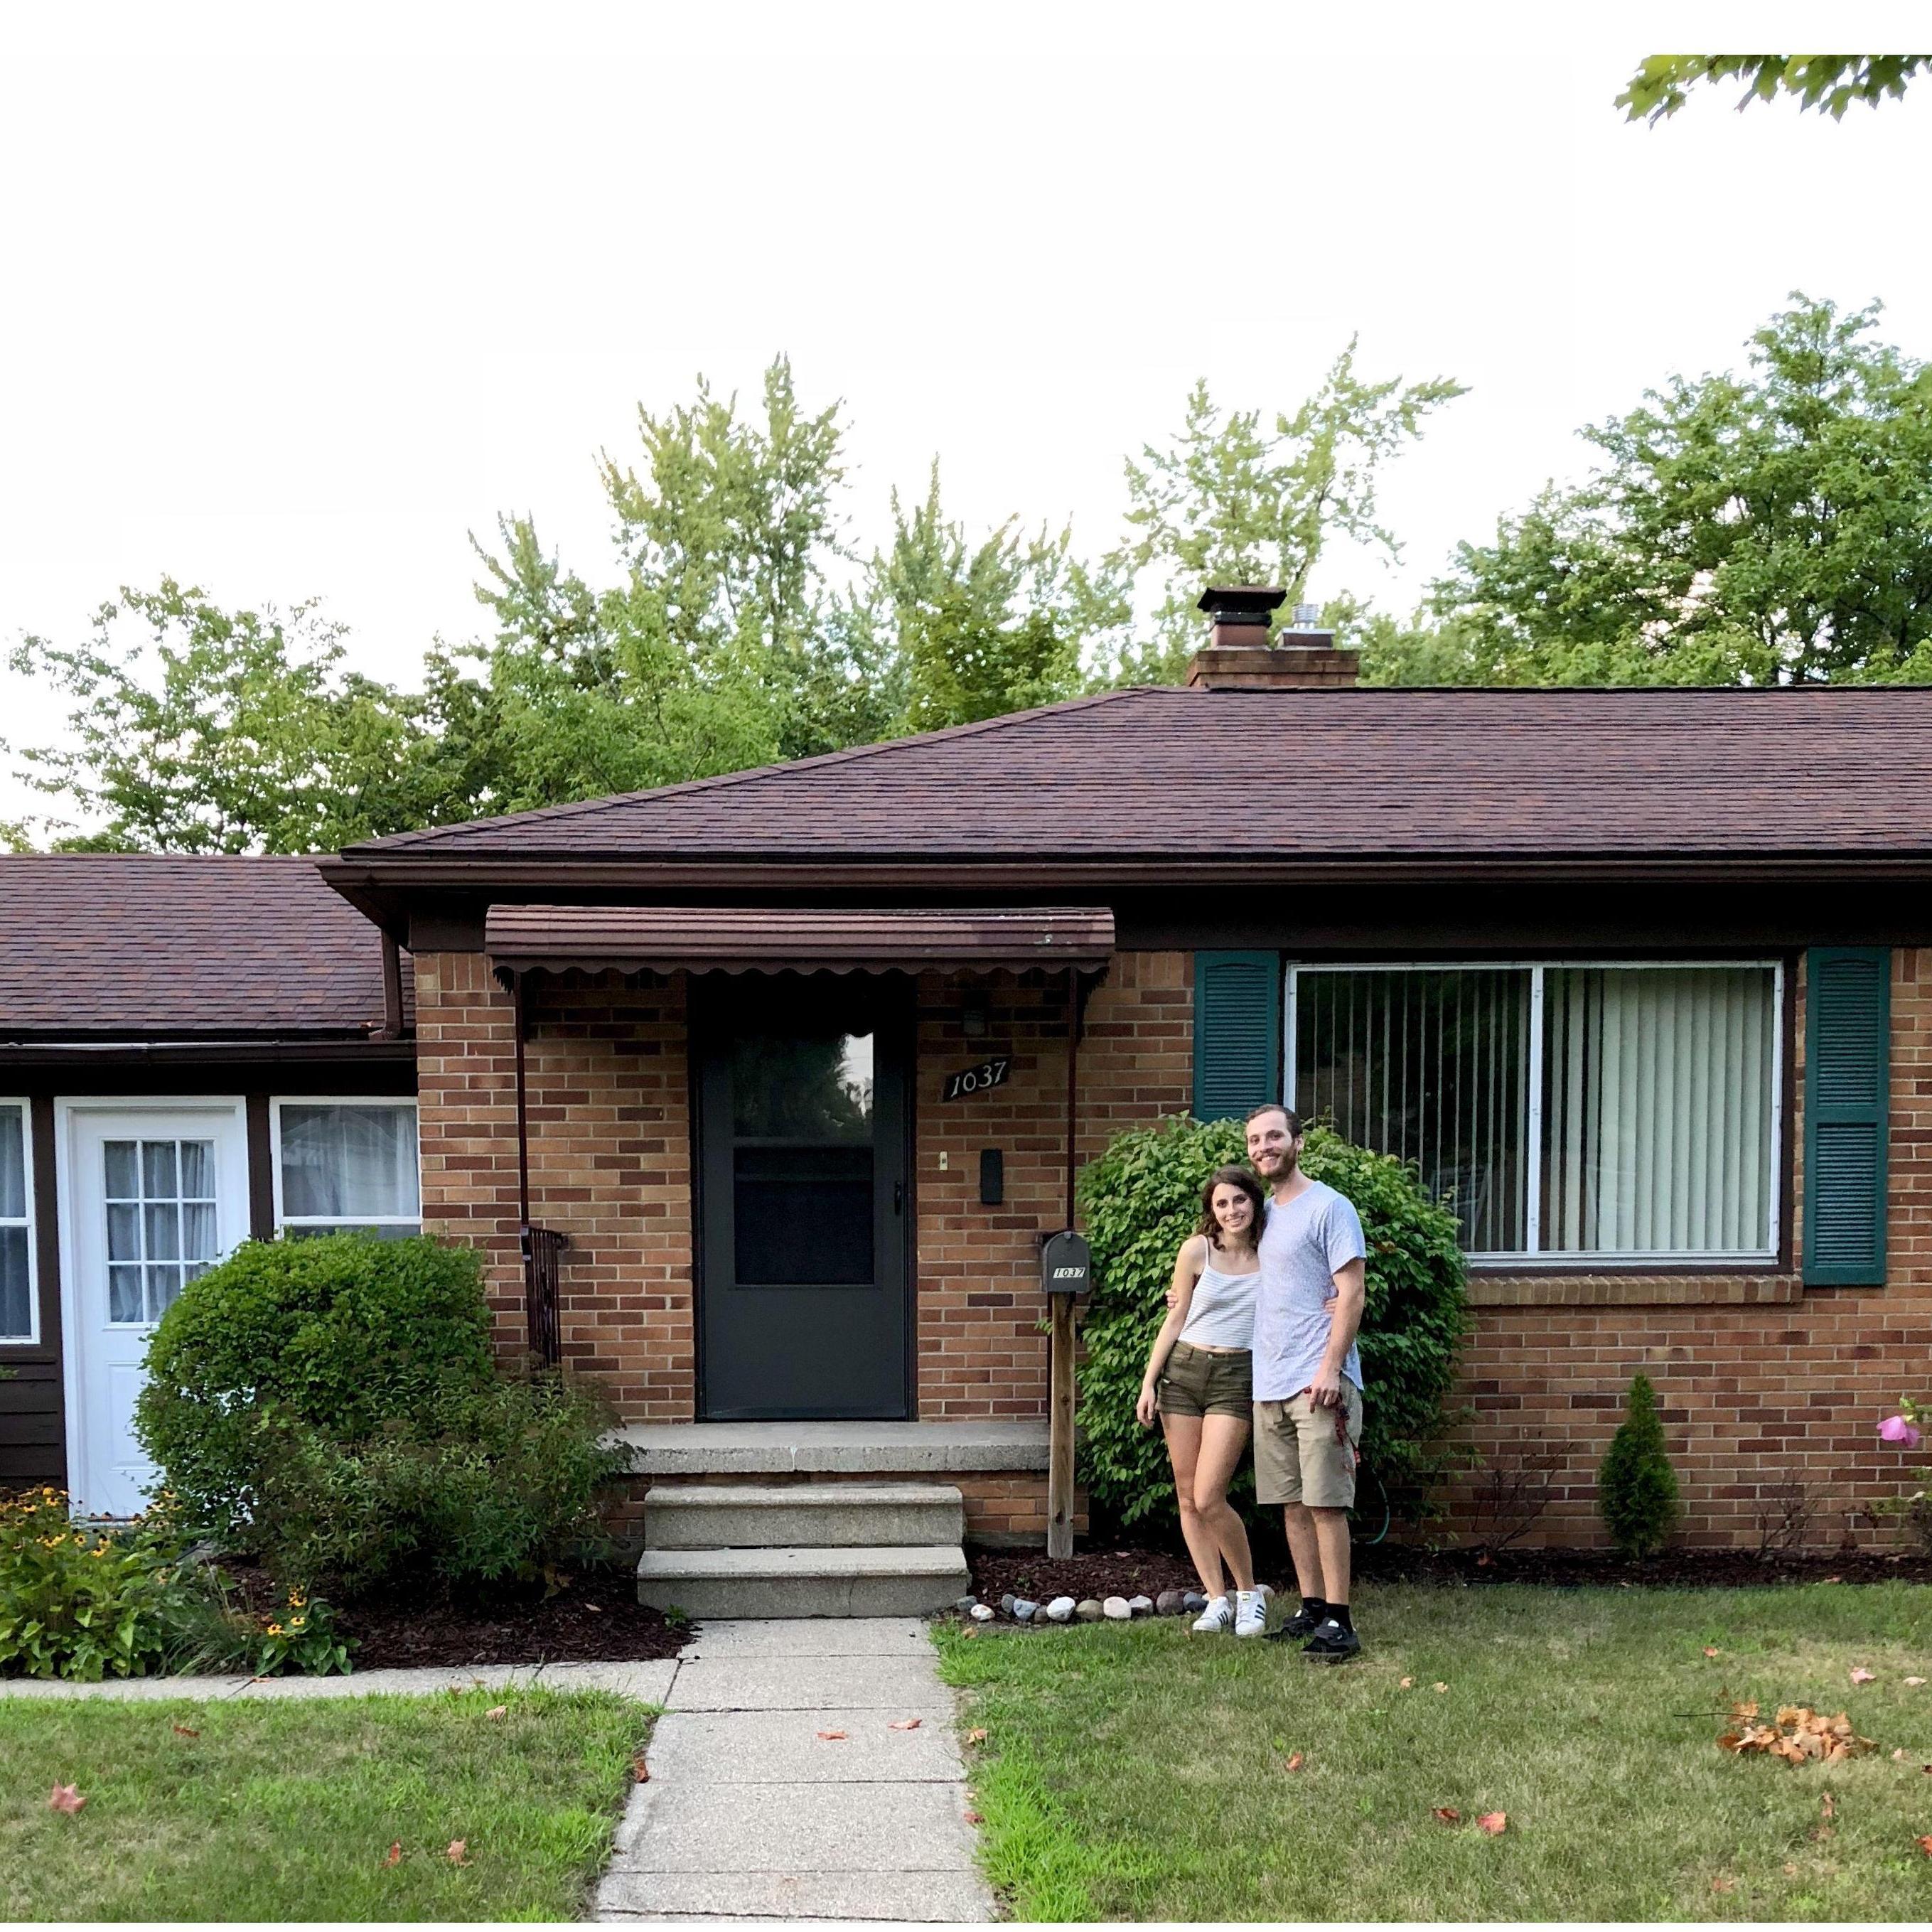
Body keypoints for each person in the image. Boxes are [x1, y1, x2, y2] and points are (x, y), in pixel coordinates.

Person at [1244, 1103, 1368, 1663]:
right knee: (1292, 1504)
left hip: (1318, 1382)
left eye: (1274, 1136)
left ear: (1297, 1142)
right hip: (1269, 1383)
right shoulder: (1264, 1215)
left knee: (1325, 1503)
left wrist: (1330, 1369)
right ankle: (1313, 1607)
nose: (1264, 1147)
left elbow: (1353, 1291)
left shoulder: (1330, 1207)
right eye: (1254, 1140)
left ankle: (1340, 1621)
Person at [1135, 1164, 1267, 1637]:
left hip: (1236, 1375)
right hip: (1184, 1373)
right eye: (1222, 1203)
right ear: (1211, 1211)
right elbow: (1176, 1318)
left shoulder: (1272, 1253)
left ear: (1254, 1201)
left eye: (1239, 1200)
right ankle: (1216, 1599)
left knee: (1212, 1495)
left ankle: (1249, 1595)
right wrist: (1149, 1382)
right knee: (1188, 1496)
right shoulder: (1196, 1251)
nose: (1232, 1210)